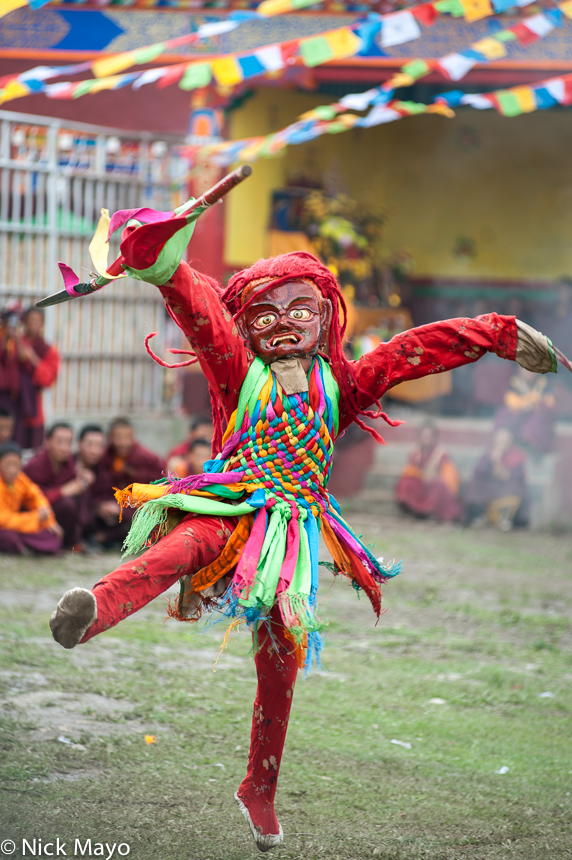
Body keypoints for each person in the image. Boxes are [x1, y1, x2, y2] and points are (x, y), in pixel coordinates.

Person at [48, 219, 558, 851]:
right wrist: (166, 266)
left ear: (324, 315)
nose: (282, 323)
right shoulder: (237, 369)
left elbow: (407, 351)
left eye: (298, 309)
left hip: (292, 534)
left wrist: (499, 335)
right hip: (231, 502)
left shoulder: (341, 384)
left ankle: (258, 788)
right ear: (247, 325)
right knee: (184, 547)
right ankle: (93, 610)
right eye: (263, 313)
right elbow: (204, 315)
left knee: (280, 660)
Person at [24, 423, 93, 550]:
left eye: (68, 442)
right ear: (47, 441)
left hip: (61, 513)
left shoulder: (68, 462)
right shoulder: (35, 466)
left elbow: (74, 482)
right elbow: (30, 500)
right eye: (59, 441)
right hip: (39, 515)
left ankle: (79, 538)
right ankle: (68, 542)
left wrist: (83, 479)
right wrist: (62, 491)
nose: (64, 448)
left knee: (82, 493)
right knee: (67, 503)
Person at [0, 441, 62, 555]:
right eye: (8, 465)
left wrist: (50, 521)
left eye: (16, 465)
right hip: (5, 527)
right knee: (9, 538)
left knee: (51, 537)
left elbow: (37, 497)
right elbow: (3, 519)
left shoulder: (20, 479)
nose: (12, 470)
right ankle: (24, 547)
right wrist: (36, 518)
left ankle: (24, 547)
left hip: (19, 525)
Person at [463, 427, 529, 531]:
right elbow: (479, 472)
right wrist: (491, 461)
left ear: (510, 442)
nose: (501, 443)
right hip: (489, 493)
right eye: (499, 440)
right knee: (474, 485)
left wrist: (497, 463)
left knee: (515, 490)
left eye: (505, 441)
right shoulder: (488, 455)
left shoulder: (516, 456)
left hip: (507, 492)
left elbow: (515, 478)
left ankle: (506, 520)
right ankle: (479, 517)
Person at [395, 422, 461, 522]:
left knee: (438, 484)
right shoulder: (415, 452)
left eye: (429, 436)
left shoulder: (441, 453)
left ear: (434, 438)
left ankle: (431, 513)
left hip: (434, 486)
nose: (426, 439)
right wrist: (420, 475)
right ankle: (414, 510)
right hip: (421, 484)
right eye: (424, 436)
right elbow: (410, 471)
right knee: (406, 482)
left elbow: (449, 476)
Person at [17, 308, 60, 450]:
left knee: (32, 447)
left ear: (42, 324)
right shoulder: (15, 342)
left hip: (33, 402)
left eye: (37, 321)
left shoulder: (48, 349)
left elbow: (48, 379)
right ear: (24, 322)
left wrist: (33, 358)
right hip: (13, 398)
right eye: (30, 320)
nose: (33, 324)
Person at [494, 366, 555, 454]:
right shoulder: (514, 383)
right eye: (524, 369)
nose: (527, 372)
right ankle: (503, 440)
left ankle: (529, 442)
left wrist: (534, 404)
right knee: (505, 413)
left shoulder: (543, 384)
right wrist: (524, 405)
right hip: (518, 418)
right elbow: (510, 401)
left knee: (537, 417)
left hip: (535, 421)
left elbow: (549, 404)